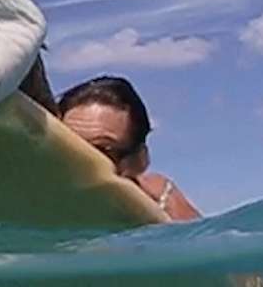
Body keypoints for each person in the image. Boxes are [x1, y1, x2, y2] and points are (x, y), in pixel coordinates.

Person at [57, 76, 201, 221]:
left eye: (102, 151)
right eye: (67, 146)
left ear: (139, 161)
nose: (78, 162)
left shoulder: (164, 210)